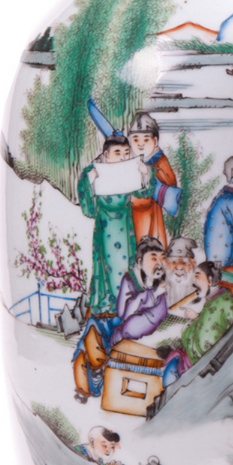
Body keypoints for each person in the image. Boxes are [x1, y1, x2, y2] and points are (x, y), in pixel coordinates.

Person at [72, 237, 169, 402]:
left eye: (162, 258)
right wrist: (147, 295)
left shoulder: (163, 285)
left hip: (129, 327)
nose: (159, 263)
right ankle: (95, 370)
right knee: (93, 325)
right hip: (123, 321)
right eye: (154, 258)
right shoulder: (131, 278)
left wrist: (148, 296)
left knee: (94, 331)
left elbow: (150, 318)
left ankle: (90, 383)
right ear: (140, 262)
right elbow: (123, 313)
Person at [76, 133, 149, 320]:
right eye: (117, 153)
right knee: (106, 267)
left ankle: (127, 305)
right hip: (105, 230)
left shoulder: (130, 171)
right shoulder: (97, 172)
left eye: (126, 153)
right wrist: (88, 181)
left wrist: (145, 173)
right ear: (106, 155)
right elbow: (89, 210)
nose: (123, 157)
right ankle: (106, 304)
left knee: (126, 266)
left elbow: (145, 193)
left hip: (125, 229)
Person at [157, 260, 233, 383]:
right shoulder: (221, 297)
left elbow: (204, 345)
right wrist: (196, 317)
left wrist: (188, 330)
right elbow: (210, 323)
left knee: (170, 372)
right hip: (208, 352)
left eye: (197, 276)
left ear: (209, 280)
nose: (193, 281)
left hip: (201, 363)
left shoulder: (218, 303)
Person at [126, 112, 180, 247]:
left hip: (151, 213)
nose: (141, 144)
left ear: (155, 141)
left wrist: (149, 173)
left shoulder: (159, 160)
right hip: (130, 212)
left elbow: (171, 182)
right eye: (136, 140)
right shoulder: (127, 161)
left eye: (146, 140)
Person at [163, 236, 200, 306]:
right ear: (166, 264)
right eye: (174, 262)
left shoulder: (199, 295)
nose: (179, 267)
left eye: (184, 263)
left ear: (193, 265)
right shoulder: (159, 293)